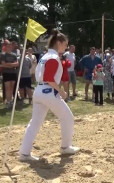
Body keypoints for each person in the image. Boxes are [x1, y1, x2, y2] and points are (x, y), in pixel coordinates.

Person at [19, 29, 80, 162]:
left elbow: (39, 75)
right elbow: (49, 77)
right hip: (49, 91)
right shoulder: (53, 57)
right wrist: (61, 91)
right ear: (59, 42)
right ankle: (65, 147)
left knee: (34, 123)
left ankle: (24, 153)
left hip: (39, 92)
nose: (66, 47)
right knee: (68, 117)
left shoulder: (44, 56)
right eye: (65, 44)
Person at [0, 40, 19, 108]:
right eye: (8, 46)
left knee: (12, 88)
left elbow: (17, 64)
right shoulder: (3, 54)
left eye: (10, 46)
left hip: (13, 73)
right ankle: (8, 102)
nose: (9, 47)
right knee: (7, 88)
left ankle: (10, 101)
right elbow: (2, 64)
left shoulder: (14, 55)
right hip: (6, 73)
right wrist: (11, 65)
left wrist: (7, 64)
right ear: (5, 47)